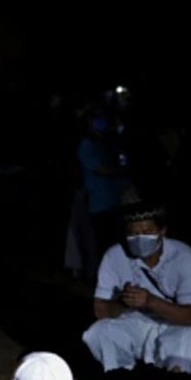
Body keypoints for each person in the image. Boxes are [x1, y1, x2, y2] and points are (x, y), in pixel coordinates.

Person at [82, 203, 191, 372]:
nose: (139, 239)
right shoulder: (114, 255)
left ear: (162, 231)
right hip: (135, 323)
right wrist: (124, 302)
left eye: (147, 232)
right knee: (99, 333)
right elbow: (100, 311)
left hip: (173, 324)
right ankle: (119, 377)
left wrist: (151, 301)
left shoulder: (184, 256)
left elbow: (190, 316)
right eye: (133, 233)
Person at [76, 108, 128, 274]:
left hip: (116, 200)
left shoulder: (107, 142)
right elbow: (100, 168)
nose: (101, 123)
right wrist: (121, 171)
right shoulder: (87, 145)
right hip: (100, 204)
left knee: (119, 241)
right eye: (97, 119)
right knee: (105, 243)